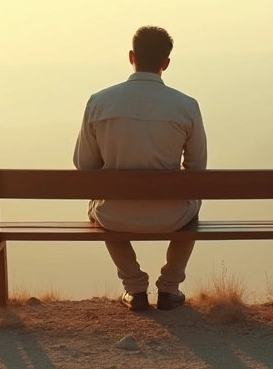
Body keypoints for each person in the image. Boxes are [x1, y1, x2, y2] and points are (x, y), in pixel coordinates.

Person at [73, 26, 208, 311]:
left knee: (97, 205)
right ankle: (170, 288)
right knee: (195, 202)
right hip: (172, 215)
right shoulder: (187, 106)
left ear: (131, 57)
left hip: (115, 214)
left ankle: (134, 288)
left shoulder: (98, 102)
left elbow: (85, 165)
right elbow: (197, 170)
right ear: (166, 63)